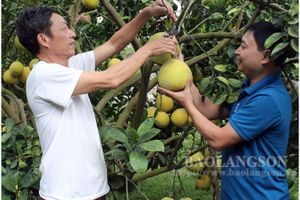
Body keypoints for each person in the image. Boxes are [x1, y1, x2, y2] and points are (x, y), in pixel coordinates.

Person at [15, 1, 178, 199]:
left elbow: (114, 44)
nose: (72, 34)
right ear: (44, 39)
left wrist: (146, 13)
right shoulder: (43, 75)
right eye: (64, 28)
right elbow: (111, 78)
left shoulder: (72, 66)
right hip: (65, 194)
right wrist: (147, 50)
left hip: (95, 190)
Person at [158, 22, 292, 199]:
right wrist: (180, 67)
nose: (237, 51)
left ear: (265, 56)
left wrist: (187, 104)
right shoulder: (250, 89)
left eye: (243, 46)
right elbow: (206, 110)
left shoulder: (268, 100)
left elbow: (219, 140)